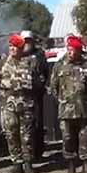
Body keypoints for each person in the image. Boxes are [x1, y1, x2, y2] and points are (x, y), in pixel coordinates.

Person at [50, 35, 87, 173]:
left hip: (84, 108)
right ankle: (71, 167)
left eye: (73, 50)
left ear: (79, 50)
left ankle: (86, 167)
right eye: (69, 49)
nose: (70, 52)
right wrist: (63, 100)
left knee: (85, 138)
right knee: (67, 138)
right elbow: (53, 86)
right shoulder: (59, 64)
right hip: (66, 110)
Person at [0, 34, 43, 173]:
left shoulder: (31, 62)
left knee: (27, 136)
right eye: (10, 46)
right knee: (11, 134)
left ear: (21, 48)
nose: (12, 49)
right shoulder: (3, 62)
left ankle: (28, 164)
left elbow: (38, 83)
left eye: (15, 47)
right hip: (8, 106)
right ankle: (16, 163)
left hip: (26, 106)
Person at [21, 31, 50, 160]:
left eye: (29, 41)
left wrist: (42, 84)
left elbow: (45, 71)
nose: (27, 43)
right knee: (24, 125)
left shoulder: (39, 54)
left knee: (37, 123)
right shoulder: (17, 54)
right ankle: (25, 152)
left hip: (36, 95)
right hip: (21, 96)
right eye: (25, 41)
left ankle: (38, 151)